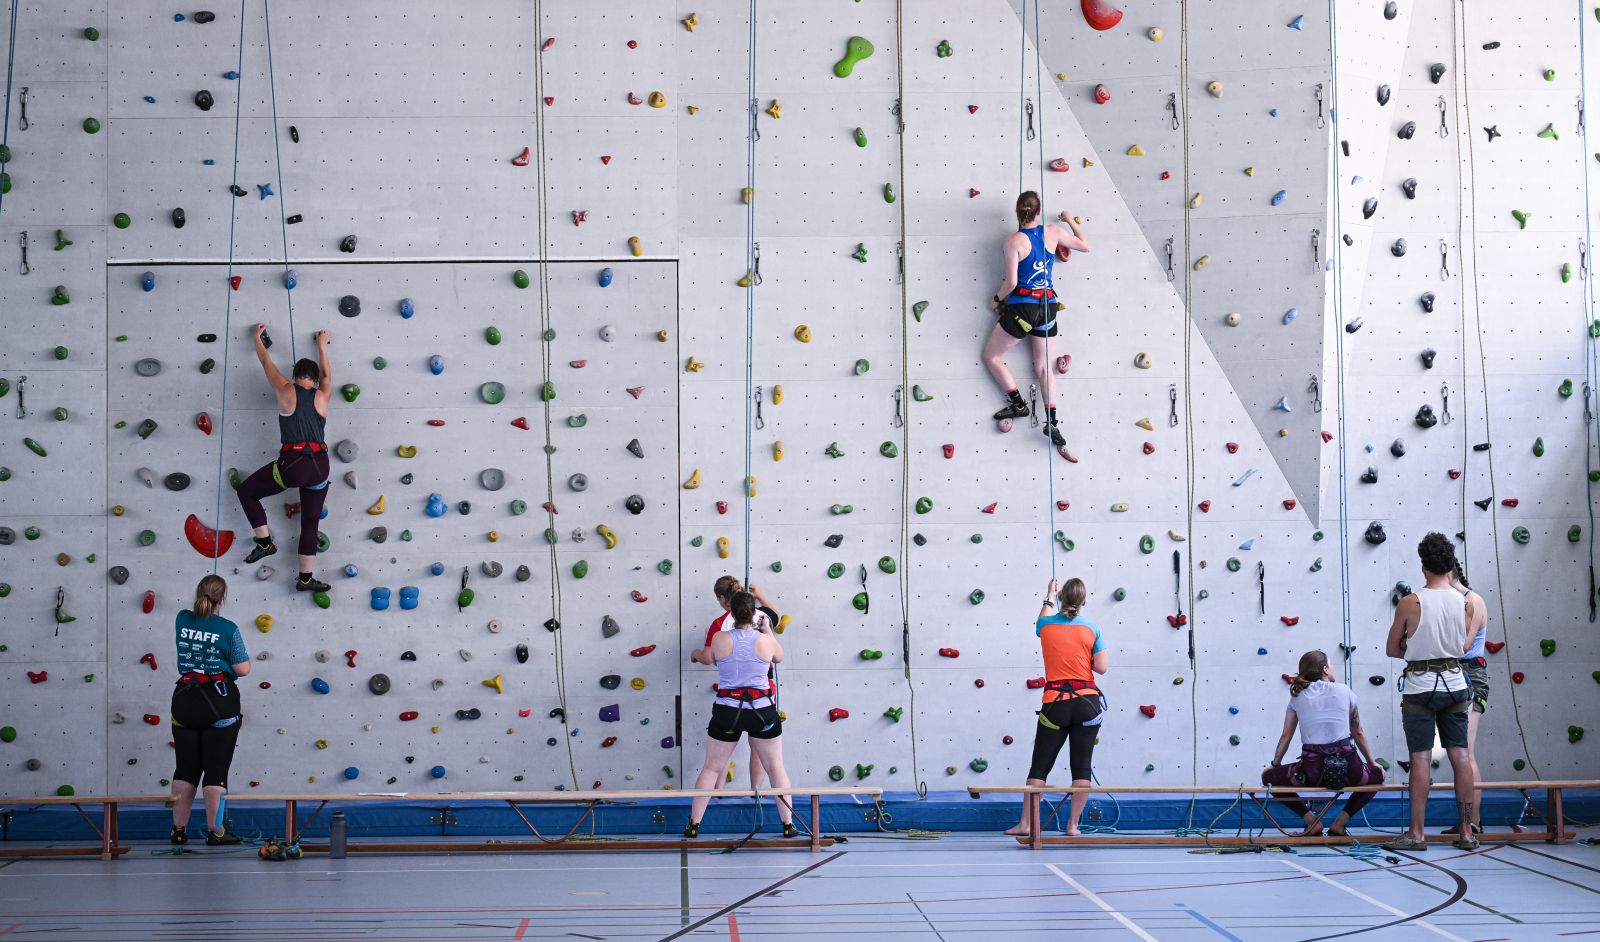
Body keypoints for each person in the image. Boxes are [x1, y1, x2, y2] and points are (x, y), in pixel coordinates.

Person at [1383, 532, 1478, 851]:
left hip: (1420, 687)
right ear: (1450, 566)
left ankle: (1417, 833)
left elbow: (1392, 649)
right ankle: (1467, 830)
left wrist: (1415, 645)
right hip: (1455, 683)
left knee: (1420, 758)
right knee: (1461, 756)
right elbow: (1463, 645)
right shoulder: (1465, 601)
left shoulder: (1412, 602)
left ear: (1424, 568)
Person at [984, 191, 1090, 452]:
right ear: (1039, 212)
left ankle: (1019, 404)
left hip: (1024, 309)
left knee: (992, 357)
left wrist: (996, 300)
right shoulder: (1053, 232)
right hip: (1048, 308)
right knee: (1044, 368)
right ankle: (1052, 423)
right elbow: (1085, 245)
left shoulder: (1013, 242)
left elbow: (1011, 283)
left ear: (1017, 213)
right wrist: (1069, 220)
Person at [685, 592, 796, 839]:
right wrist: (767, 628)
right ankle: (788, 823)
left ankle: (694, 823)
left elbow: (710, 658)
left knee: (712, 768)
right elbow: (779, 657)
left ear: (731, 614)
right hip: (761, 711)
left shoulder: (719, 638)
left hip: (728, 711)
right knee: (775, 767)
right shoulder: (766, 641)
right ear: (755, 613)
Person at [1006, 577, 1107, 838]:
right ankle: (1073, 825)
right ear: (1084, 600)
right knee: (1082, 768)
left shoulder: (1046, 626)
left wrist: (1049, 594)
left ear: (1061, 597)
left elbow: (1044, 615)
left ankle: (1027, 824)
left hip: (1055, 705)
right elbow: (1101, 668)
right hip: (1087, 704)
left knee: (1039, 767)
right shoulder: (1092, 628)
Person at [236, 325, 334, 593]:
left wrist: (257, 339)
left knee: (247, 491)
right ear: (313, 381)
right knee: (310, 523)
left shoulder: (285, 389)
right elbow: (327, 375)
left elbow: (266, 362)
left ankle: (265, 542)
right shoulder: (323, 396)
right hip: (321, 468)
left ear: (294, 376)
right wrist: (322, 345)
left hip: (293, 466)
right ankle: (305, 579)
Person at [1261, 650, 1385, 836]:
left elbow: (1286, 736)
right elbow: (1358, 732)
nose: (1333, 667)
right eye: (1331, 664)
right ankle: (1340, 823)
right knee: (1379, 777)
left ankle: (1312, 821)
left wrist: (1274, 766)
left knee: (1268, 778)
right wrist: (1372, 763)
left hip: (1312, 772)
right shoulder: (1344, 691)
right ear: (1325, 669)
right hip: (1350, 771)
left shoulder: (1297, 697)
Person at [169, 575, 251, 846]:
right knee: (216, 769)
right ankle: (216, 832)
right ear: (222, 599)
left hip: (184, 700)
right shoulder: (228, 628)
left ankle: (178, 831)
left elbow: (195, 623)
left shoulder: (183, 619)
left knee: (185, 768)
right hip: (219, 701)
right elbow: (242, 669)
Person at [690, 576, 781, 790]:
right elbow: (775, 616)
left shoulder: (719, 625)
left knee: (720, 752)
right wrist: (760, 595)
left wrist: (694, 654)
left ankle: (719, 792)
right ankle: (755, 793)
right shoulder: (761, 617)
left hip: (732, 697)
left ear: (723, 599)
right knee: (760, 747)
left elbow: (707, 657)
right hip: (763, 693)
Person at [1445, 562, 1488, 836]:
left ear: (1449, 575)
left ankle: (1473, 820)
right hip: (1451, 673)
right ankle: (1467, 819)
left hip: (1470, 673)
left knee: (1466, 752)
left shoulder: (1473, 601)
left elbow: (1463, 645)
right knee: (1456, 753)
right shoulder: (1452, 601)